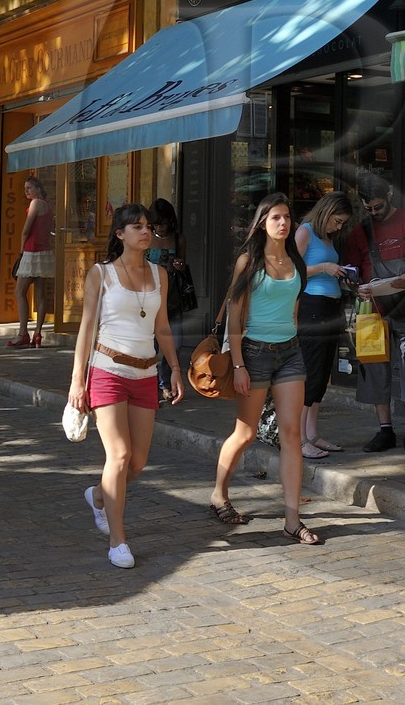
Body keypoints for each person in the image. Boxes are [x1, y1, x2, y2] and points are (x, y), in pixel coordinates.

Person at [66, 204, 183, 569]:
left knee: (139, 460)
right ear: (120, 234)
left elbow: (162, 326)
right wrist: (76, 381)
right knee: (118, 455)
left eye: (148, 227)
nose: (145, 232)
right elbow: (86, 328)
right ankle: (118, 541)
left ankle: (99, 495)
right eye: (136, 227)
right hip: (108, 370)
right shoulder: (101, 275)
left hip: (146, 373)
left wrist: (175, 369)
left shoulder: (159, 274)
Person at [209, 192, 321, 545]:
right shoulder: (249, 261)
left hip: (289, 352)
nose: (284, 223)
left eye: (287, 216)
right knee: (246, 432)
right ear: (262, 223)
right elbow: (235, 317)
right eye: (276, 217)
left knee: (291, 435)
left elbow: (294, 310)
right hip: (253, 353)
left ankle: (292, 519)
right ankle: (218, 493)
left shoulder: (296, 262)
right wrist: (239, 364)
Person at [344, 174, 405, 457]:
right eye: (368, 208)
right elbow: (351, 269)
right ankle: (385, 429)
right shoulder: (361, 230)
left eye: (378, 207)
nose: (374, 213)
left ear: (390, 198)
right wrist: (355, 287)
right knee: (375, 368)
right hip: (372, 311)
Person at [294, 191, 355, 461]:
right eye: (337, 221)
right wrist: (323, 268)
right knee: (311, 371)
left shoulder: (328, 238)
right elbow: (290, 272)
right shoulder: (305, 232)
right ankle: (299, 438)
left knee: (322, 374)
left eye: (342, 223)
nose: (338, 227)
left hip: (331, 306)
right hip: (312, 307)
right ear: (326, 212)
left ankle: (312, 432)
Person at [147, 198, 188, 400]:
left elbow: (183, 266)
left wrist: (180, 266)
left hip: (172, 298)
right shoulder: (145, 238)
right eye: (156, 223)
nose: (160, 227)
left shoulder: (178, 238)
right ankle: (153, 382)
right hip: (148, 298)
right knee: (150, 345)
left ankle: (165, 379)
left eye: (164, 223)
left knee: (176, 343)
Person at [9, 176, 55, 347]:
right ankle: (37, 333)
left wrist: (21, 251)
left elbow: (26, 229)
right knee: (41, 295)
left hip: (31, 251)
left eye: (29, 187)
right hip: (45, 252)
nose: (26, 191)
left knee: (19, 292)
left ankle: (23, 333)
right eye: (25, 188)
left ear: (37, 188)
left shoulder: (35, 203)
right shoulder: (48, 206)